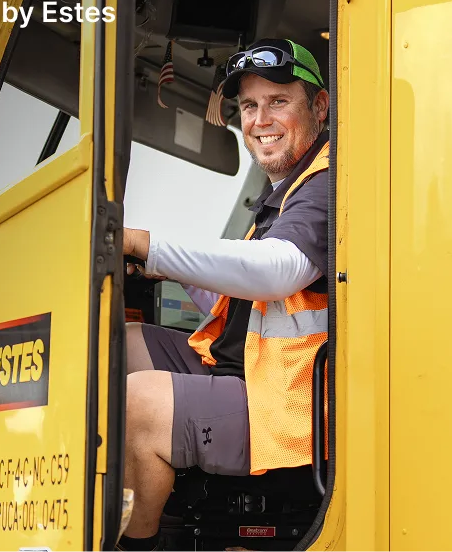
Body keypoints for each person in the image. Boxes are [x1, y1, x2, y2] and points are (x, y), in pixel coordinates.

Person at [117, 39, 331, 552]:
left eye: (278, 101)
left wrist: (148, 245)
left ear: (320, 106)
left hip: (293, 405)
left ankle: (135, 545)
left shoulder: (328, 182)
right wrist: (155, 265)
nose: (260, 120)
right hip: (253, 375)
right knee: (117, 342)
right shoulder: (286, 194)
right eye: (249, 106)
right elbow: (247, 303)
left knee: (138, 405)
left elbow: (278, 272)